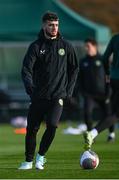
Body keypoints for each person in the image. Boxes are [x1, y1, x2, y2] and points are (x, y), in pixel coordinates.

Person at [19, 11, 79, 170]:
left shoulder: (66, 46)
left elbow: (74, 69)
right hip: (38, 95)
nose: (54, 28)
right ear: (44, 25)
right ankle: (28, 161)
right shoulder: (36, 46)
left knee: (52, 126)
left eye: (57, 25)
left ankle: (41, 157)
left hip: (57, 96)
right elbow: (26, 70)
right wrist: (30, 89)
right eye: (51, 25)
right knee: (31, 129)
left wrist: (68, 91)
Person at [84, 34, 119, 150]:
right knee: (115, 114)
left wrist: (109, 73)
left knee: (113, 113)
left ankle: (94, 133)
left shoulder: (115, 38)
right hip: (94, 92)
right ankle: (93, 133)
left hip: (114, 80)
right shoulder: (83, 61)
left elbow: (105, 58)